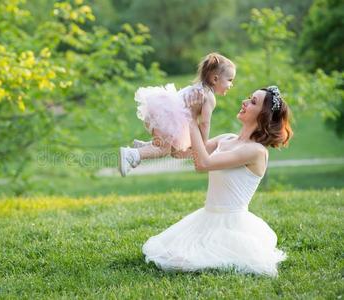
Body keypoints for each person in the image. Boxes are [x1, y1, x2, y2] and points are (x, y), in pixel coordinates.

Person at [142, 86, 293, 277]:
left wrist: (191, 119)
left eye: (253, 102)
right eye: (248, 97)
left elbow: (203, 163)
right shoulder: (226, 139)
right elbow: (181, 153)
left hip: (232, 225)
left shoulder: (256, 151)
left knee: (187, 261)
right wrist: (167, 122)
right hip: (206, 217)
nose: (244, 102)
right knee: (172, 253)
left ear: (263, 116)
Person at [118, 53, 236, 177]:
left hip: (160, 108)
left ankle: (143, 147)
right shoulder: (209, 97)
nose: (231, 84)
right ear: (215, 79)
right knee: (163, 150)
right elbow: (205, 123)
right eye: (230, 80)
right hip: (169, 117)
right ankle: (132, 154)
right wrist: (203, 143)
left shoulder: (198, 88)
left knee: (173, 150)